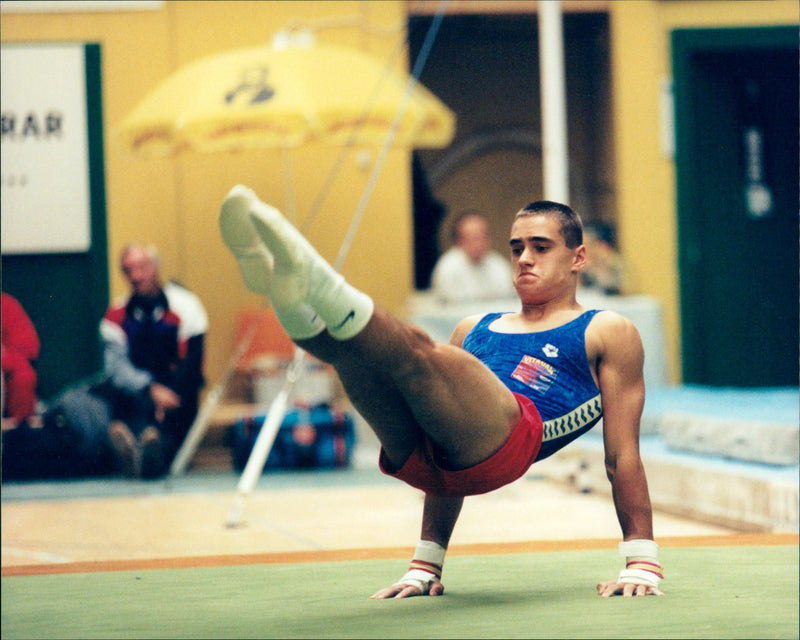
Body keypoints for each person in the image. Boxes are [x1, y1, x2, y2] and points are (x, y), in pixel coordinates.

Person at [219, 185, 664, 599]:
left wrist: (640, 560)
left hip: (514, 437)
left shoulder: (606, 330)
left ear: (578, 257)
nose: (524, 258)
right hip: (433, 458)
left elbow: (621, 455)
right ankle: (282, 289)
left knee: (414, 350)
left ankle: (315, 276)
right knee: (353, 360)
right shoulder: (476, 327)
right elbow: (445, 436)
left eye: (541, 247)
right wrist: (425, 565)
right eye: (516, 248)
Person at [98, 244, 208, 479]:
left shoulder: (187, 306)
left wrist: (170, 395)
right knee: (131, 405)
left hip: (178, 393)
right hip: (140, 392)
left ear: (155, 268)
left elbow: (193, 361)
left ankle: (151, 455)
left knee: (168, 425)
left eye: (142, 268)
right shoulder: (115, 315)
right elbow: (117, 369)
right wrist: (150, 389)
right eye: (129, 270)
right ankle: (136, 447)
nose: (136, 276)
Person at [429, 210, 516, 302]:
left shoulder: (499, 266)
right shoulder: (447, 268)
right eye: (474, 237)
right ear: (459, 240)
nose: (479, 243)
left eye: (483, 236)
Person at [1, 292, 41, 429]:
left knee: (24, 375)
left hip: (6, 375)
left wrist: (5, 360)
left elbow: (30, 347)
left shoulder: (6, 304)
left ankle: (19, 430)